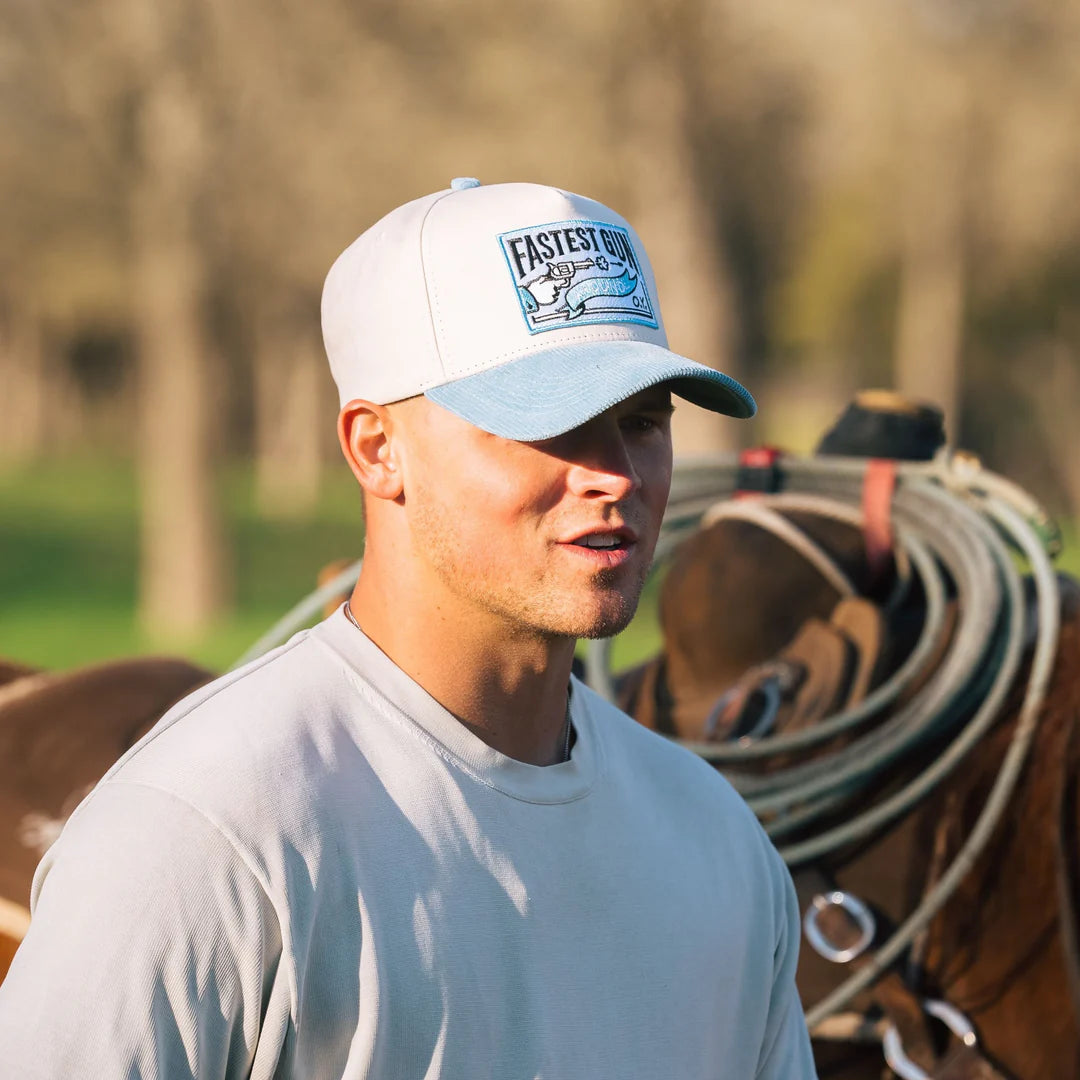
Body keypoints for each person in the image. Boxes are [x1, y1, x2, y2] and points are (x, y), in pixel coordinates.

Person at [0, 178, 816, 1078]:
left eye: (642, 423)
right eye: (554, 426)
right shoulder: (203, 834)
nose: (615, 475)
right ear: (376, 448)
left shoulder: (716, 846)